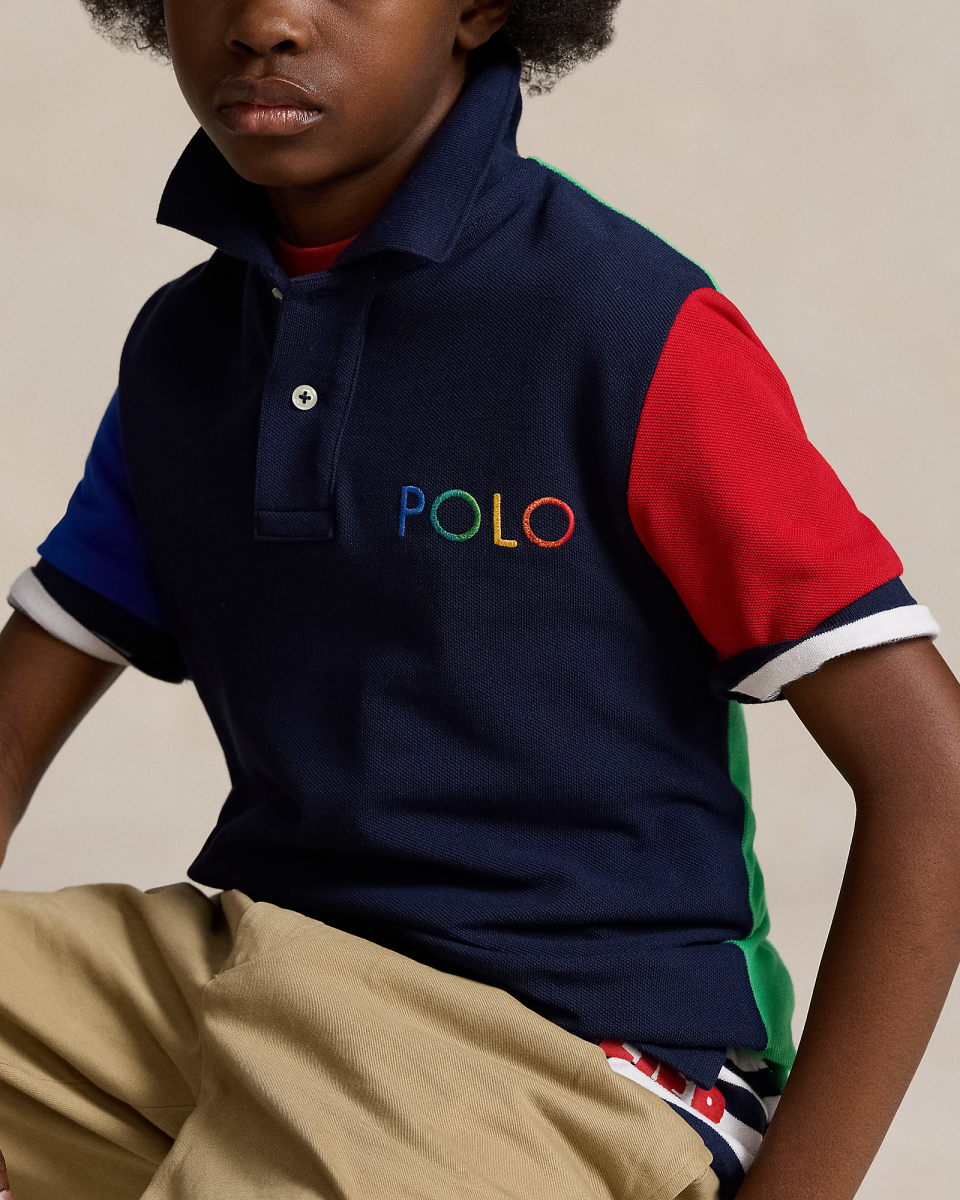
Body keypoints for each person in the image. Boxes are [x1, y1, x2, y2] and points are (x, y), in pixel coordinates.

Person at [2, 0, 959, 1197]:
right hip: (259, 971)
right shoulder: (184, 350)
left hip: (561, 1052)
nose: (267, 21)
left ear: (479, 8)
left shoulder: (623, 325)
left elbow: (935, 780)